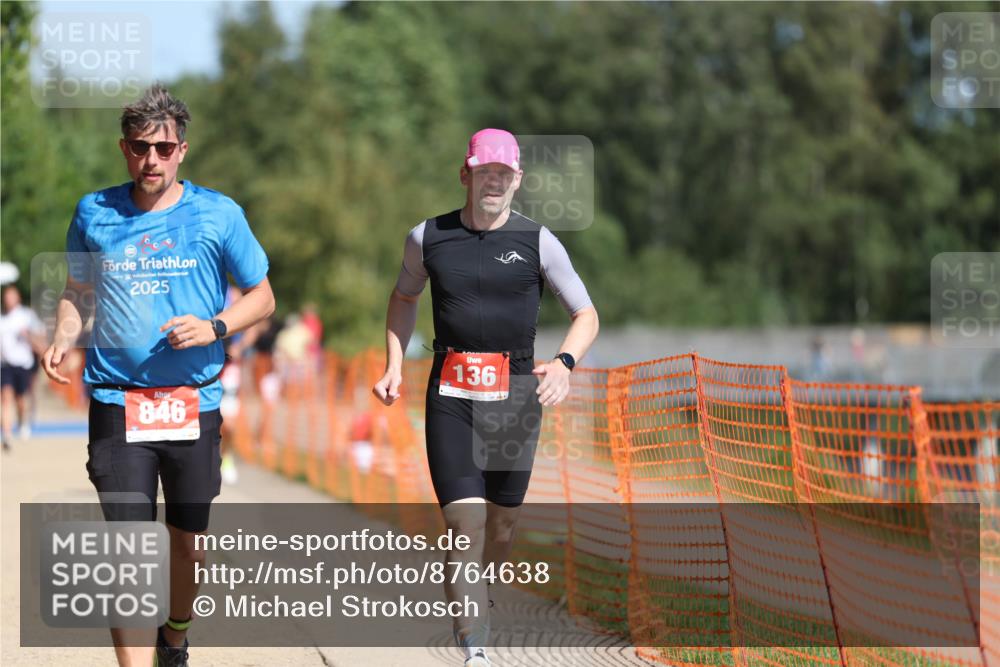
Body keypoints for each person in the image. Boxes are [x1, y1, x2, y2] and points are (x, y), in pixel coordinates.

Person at [41, 84, 274, 667]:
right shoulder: (94, 212)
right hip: (119, 401)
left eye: (164, 149)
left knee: (187, 546)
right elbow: (77, 290)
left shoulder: (219, 213)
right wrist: (64, 336)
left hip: (193, 402)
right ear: (125, 149)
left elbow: (263, 297)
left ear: (182, 151)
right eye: (141, 148)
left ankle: (175, 633)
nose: (152, 160)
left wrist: (216, 327)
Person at [373, 129, 599, 666]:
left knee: (501, 525)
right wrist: (392, 363)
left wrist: (565, 363)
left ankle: (482, 595)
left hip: (517, 398)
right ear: (466, 175)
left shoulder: (539, 241)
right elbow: (404, 296)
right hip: (451, 393)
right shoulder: (427, 238)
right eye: (484, 172)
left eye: (504, 174)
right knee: (465, 523)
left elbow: (585, 314)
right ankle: (474, 648)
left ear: (517, 180)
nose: (493, 182)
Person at [0, 285, 46, 450]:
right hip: (4, 365)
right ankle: (6, 435)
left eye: (12, 296)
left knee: (20, 399)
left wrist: (29, 336)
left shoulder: (26, 316)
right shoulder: (2, 319)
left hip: (23, 364)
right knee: (5, 398)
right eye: (6, 296)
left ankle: (22, 422)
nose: (8, 300)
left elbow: (41, 337)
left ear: (17, 298)